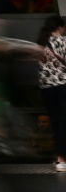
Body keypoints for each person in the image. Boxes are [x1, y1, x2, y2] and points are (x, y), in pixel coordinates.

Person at [36, 16, 66, 172]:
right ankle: (62, 159)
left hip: (46, 88)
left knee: (55, 121)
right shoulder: (63, 42)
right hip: (62, 86)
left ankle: (57, 156)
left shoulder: (41, 44)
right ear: (60, 27)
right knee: (63, 122)